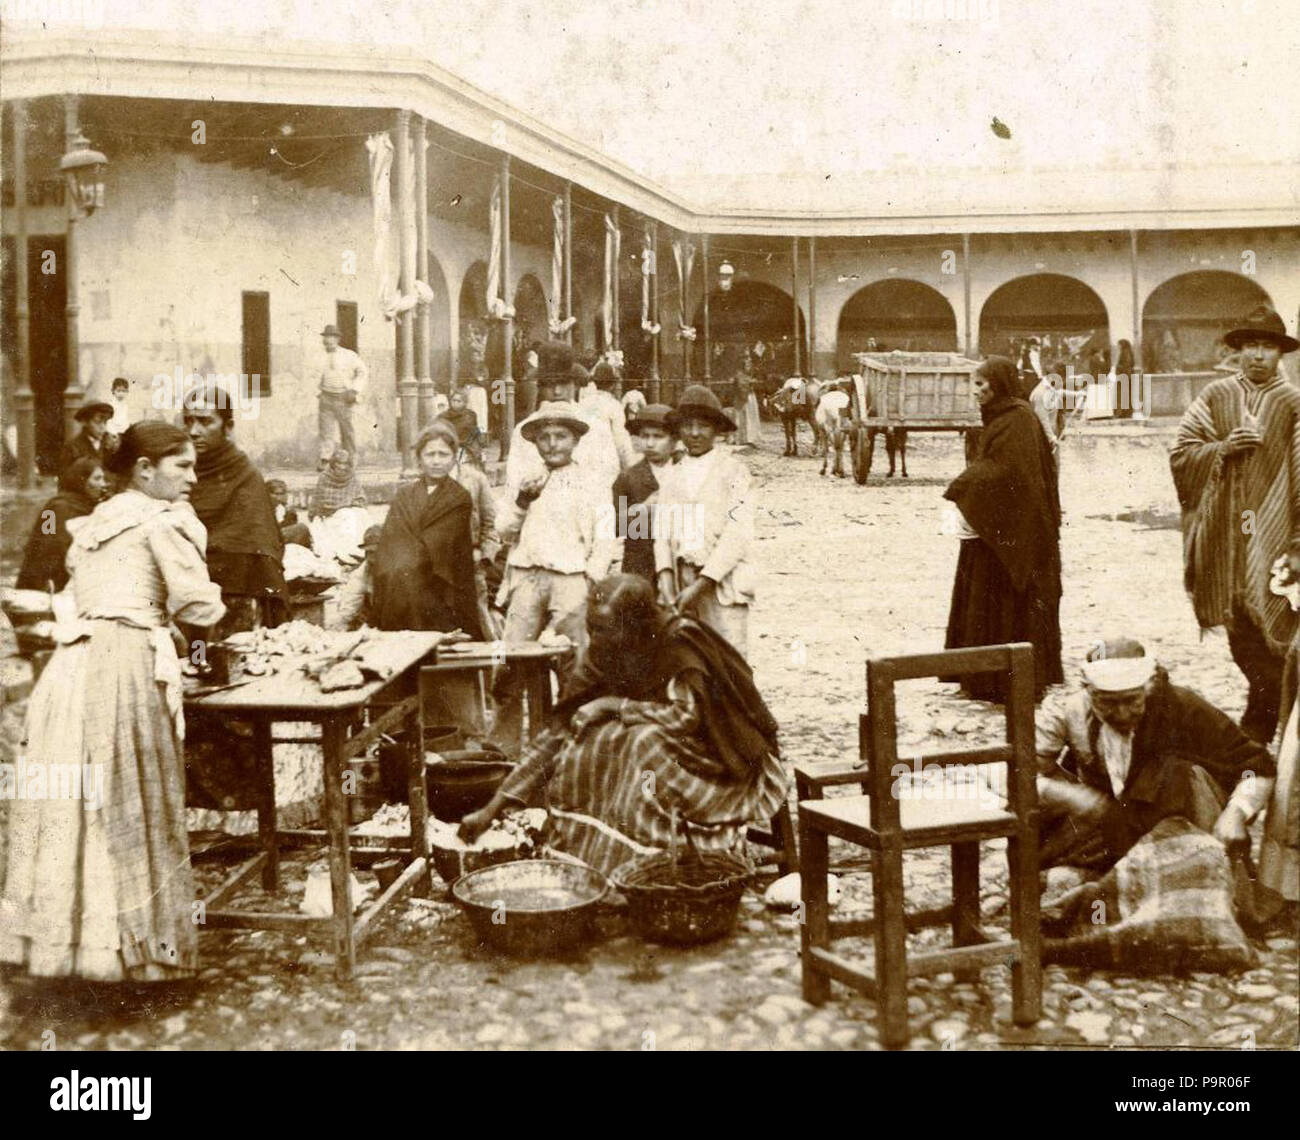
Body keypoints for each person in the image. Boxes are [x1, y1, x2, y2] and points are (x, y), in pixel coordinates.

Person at [0, 423, 226, 983]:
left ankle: (69, 947)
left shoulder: (98, 519)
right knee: (129, 796)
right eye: (183, 467)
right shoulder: (164, 521)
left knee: (74, 803)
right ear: (145, 468)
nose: (193, 478)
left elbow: (87, 594)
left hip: (71, 668)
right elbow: (199, 606)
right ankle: (142, 955)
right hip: (122, 665)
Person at [461, 574, 790, 876]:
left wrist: (613, 705)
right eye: (592, 627)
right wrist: (492, 808)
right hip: (664, 750)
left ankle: (657, 860)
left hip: (716, 762)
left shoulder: (677, 643)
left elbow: (685, 717)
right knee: (588, 738)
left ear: (635, 626)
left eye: (605, 629)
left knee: (639, 743)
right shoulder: (602, 652)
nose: (595, 638)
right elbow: (559, 733)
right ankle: (599, 860)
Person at [1170, 306, 1300, 743]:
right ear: (1238, 350)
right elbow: (1183, 452)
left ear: (1280, 354)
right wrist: (1223, 447)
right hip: (1228, 539)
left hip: (1278, 542)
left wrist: (1298, 541)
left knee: (1278, 635)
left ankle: (1260, 728)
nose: (1257, 356)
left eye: (1266, 346)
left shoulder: (1293, 404)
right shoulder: (1216, 396)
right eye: (1249, 346)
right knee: (1241, 637)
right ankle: (1264, 724)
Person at [1034, 640, 1274, 873]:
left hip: (1177, 823)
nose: (1121, 713)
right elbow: (1020, 773)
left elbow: (1257, 768)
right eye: (1107, 703)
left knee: (1182, 774)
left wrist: (1237, 813)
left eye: (1131, 701)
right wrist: (1070, 795)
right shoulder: (1069, 711)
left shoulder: (1183, 707)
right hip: (1108, 822)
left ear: (1148, 688)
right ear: (1089, 693)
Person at [490, 403, 618, 749]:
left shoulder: (593, 482)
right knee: (509, 660)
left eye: (560, 436)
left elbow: (606, 537)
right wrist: (521, 501)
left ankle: (571, 743)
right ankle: (503, 748)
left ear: (575, 440)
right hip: (526, 576)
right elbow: (502, 529)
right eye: (544, 438)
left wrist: (591, 580)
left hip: (572, 578)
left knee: (574, 662)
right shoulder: (525, 479)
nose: (551, 444)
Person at [943, 356, 1063, 701]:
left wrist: (964, 485)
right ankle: (981, 676)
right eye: (974, 384)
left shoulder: (1018, 419)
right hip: (998, 525)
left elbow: (1009, 471)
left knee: (1009, 598)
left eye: (982, 384)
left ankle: (1006, 678)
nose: (976, 391)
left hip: (1018, 530)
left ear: (1000, 384)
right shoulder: (1002, 416)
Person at [654, 385, 755, 659]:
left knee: (727, 661)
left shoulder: (734, 471)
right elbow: (661, 531)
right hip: (682, 581)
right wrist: (664, 575)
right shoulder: (673, 475)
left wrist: (704, 582)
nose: (695, 433)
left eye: (703, 426)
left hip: (721, 583)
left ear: (716, 430)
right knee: (688, 660)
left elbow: (738, 534)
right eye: (688, 426)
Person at [183, 384, 289, 635]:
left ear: (227, 427)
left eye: (204, 421)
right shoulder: (180, 471)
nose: (193, 431)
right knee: (193, 662)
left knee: (229, 661)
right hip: (187, 591)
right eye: (187, 421)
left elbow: (258, 540)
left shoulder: (244, 474)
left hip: (238, 592)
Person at [371, 423, 485, 638]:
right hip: (401, 573)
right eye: (430, 454)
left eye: (443, 454)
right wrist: (398, 565)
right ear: (420, 459)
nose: (436, 461)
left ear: (453, 459)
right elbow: (391, 537)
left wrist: (409, 563)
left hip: (440, 578)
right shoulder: (405, 494)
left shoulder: (459, 497)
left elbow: (442, 540)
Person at [504, 341, 624, 495]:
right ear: (540, 386)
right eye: (549, 384)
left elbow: (608, 481)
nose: (557, 391)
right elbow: (514, 487)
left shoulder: (595, 427)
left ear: (574, 384)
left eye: (563, 383)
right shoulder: (524, 431)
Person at [15, 458, 110, 593]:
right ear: (82, 480)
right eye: (97, 478)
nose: (103, 484)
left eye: (103, 479)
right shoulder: (57, 507)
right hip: (50, 580)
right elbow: (48, 547)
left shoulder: (90, 506)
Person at [612, 404, 676, 584]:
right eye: (644, 436)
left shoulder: (686, 471)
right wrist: (642, 509)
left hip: (678, 561)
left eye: (658, 437)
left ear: (674, 439)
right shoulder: (628, 477)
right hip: (641, 567)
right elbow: (611, 526)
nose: (649, 443)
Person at [308, 323, 368, 468]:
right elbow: (312, 376)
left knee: (346, 430)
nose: (328, 341)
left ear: (337, 339)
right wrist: (318, 392)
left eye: (332, 337)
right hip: (326, 397)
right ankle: (326, 460)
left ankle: (351, 459)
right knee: (326, 431)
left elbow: (362, 372)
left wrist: (354, 390)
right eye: (326, 337)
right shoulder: (318, 356)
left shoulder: (348, 355)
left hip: (343, 397)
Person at [581, 358, 639, 471]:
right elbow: (620, 440)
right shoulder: (614, 406)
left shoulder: (582, 403)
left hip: (584, 460)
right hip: (606, 460)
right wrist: (630, 467)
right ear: (612, 385)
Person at [330, 524, 382, 631]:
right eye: (368, 552)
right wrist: (339, 623)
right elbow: (352, 596)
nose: (371, 558)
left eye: (375, 552)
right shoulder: (364, 570)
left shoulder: (402, 568)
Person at [308, 448, 367, 520]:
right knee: (346, 515)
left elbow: (360, 498)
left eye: (345, 463)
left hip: (351, 514)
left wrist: (353, 505)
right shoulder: (325, 477)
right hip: (329, 516)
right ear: (333, 464)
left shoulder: (352, 477)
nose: (342, 466)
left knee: (361, 514)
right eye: (339, 463)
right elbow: (318, 501)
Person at [58, 399, 114, 473]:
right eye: (98, 422)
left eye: (105, 422)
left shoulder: (111, 443)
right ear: (84, 422)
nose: (103, 427)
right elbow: (65, 478)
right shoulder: (72, 447)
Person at [439, 387, 485, 469]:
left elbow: (471, 432)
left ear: (465, 403)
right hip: (448, 446)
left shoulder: (470, 415)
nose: (455, 403)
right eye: (453, 400)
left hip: (466, 448)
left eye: (459, 401)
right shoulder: (443, 416)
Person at [265, 478, 311, 548]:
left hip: (278, 539)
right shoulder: (262, 508)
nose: (280, 497)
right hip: (267, 541)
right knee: (301, 528)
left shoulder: (286, 510)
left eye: (283, 493)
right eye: (277, 494)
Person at [731, 357, 762, 447]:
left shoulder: (749, 376)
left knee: (751, 417)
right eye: (747, 365)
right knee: (743, 418)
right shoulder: (739, 375)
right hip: (742, 399)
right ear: (743, 366)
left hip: (750, 397)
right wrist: (749, 384)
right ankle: (742, 439)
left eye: (749, 365)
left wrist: (752, 383)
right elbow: (739, 386)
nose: (749, 367)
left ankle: (751, 438)